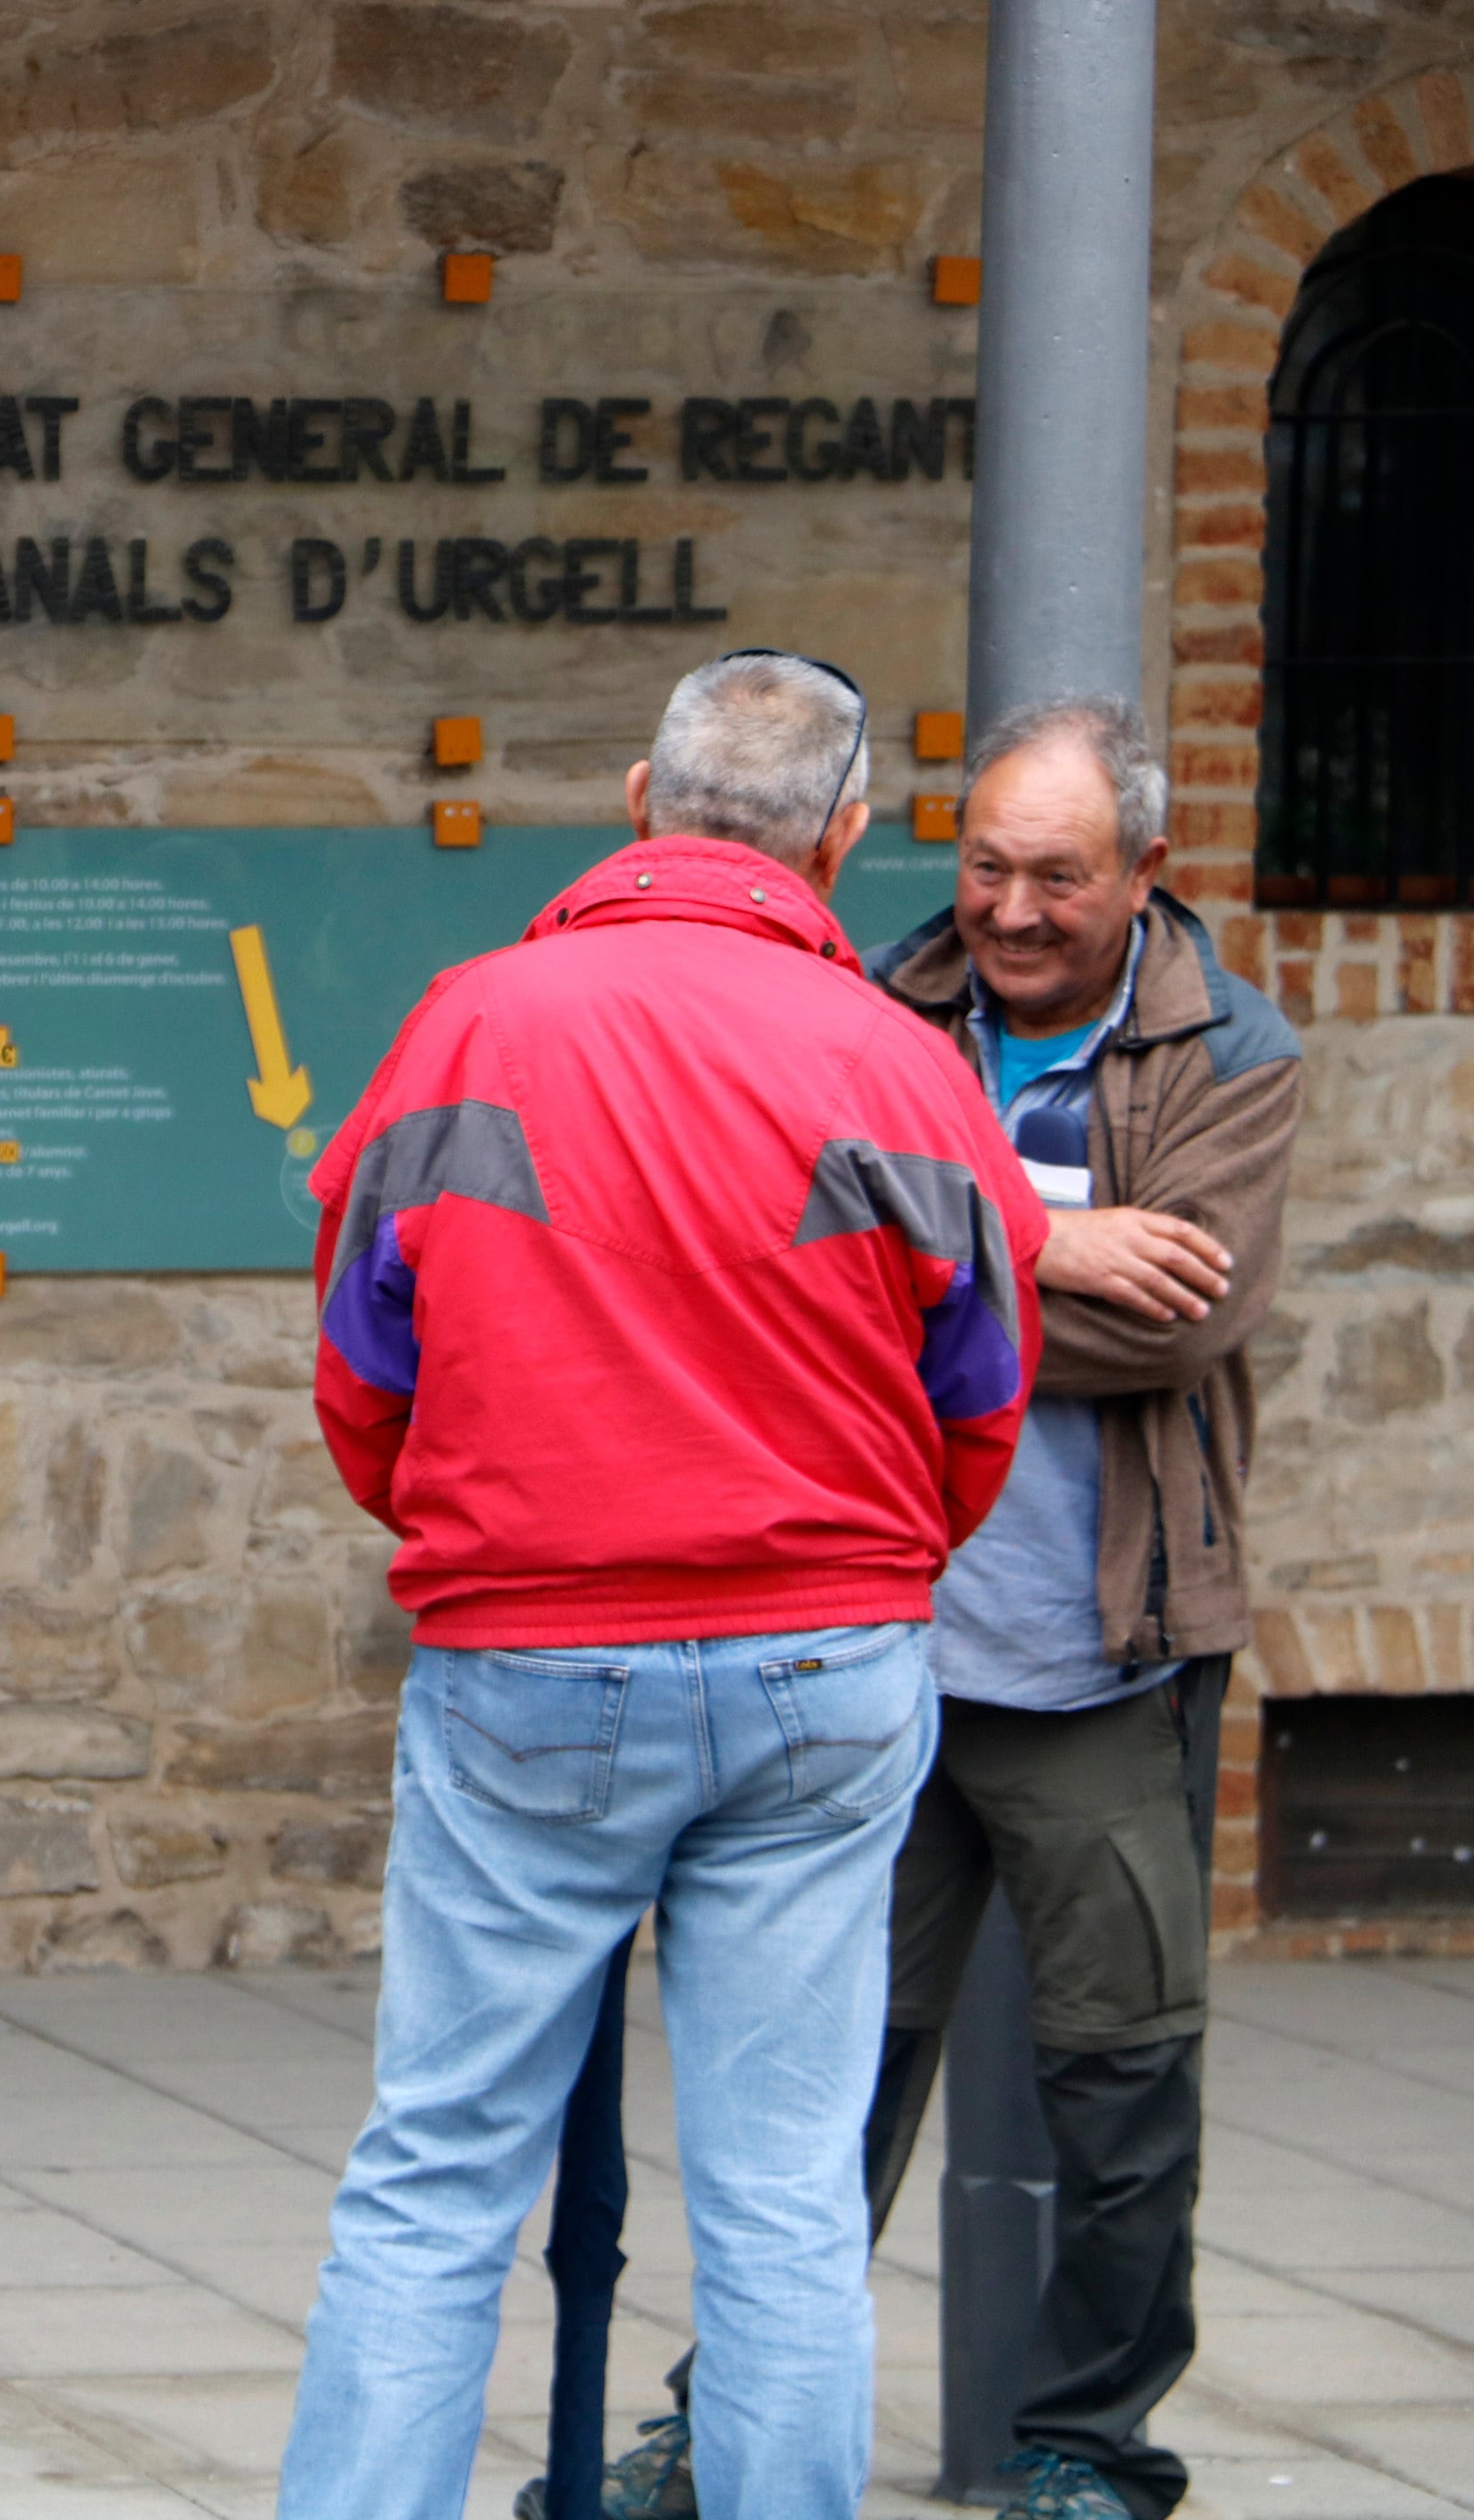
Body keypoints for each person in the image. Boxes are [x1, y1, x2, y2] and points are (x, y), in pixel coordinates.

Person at [280, 650, 1048, 2520]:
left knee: (438, 2171)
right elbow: (986, 1391)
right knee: (787, 2191)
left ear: (640, 796)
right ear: (848, 836)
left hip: (530, 1656)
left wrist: (469, 1530)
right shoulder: (906, 1066)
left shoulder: (474, 1022)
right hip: (826, 1662)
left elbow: (362, 1363)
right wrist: (867, 1558)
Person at [595, 697, 1299, 2520]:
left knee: (1121, 2084)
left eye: (1057, 875)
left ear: (1146, 870)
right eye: (984, 863)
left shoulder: (1229, 1048)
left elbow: (1182, 1320)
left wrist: (929, 1253)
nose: (1008, 907)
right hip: (876, 1643)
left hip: (1098, 1656)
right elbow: (777, 1264)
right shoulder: (871, 1009)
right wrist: (1053, 1231)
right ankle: (727, 2419)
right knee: (820, 2082)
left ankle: (1086, 2444)